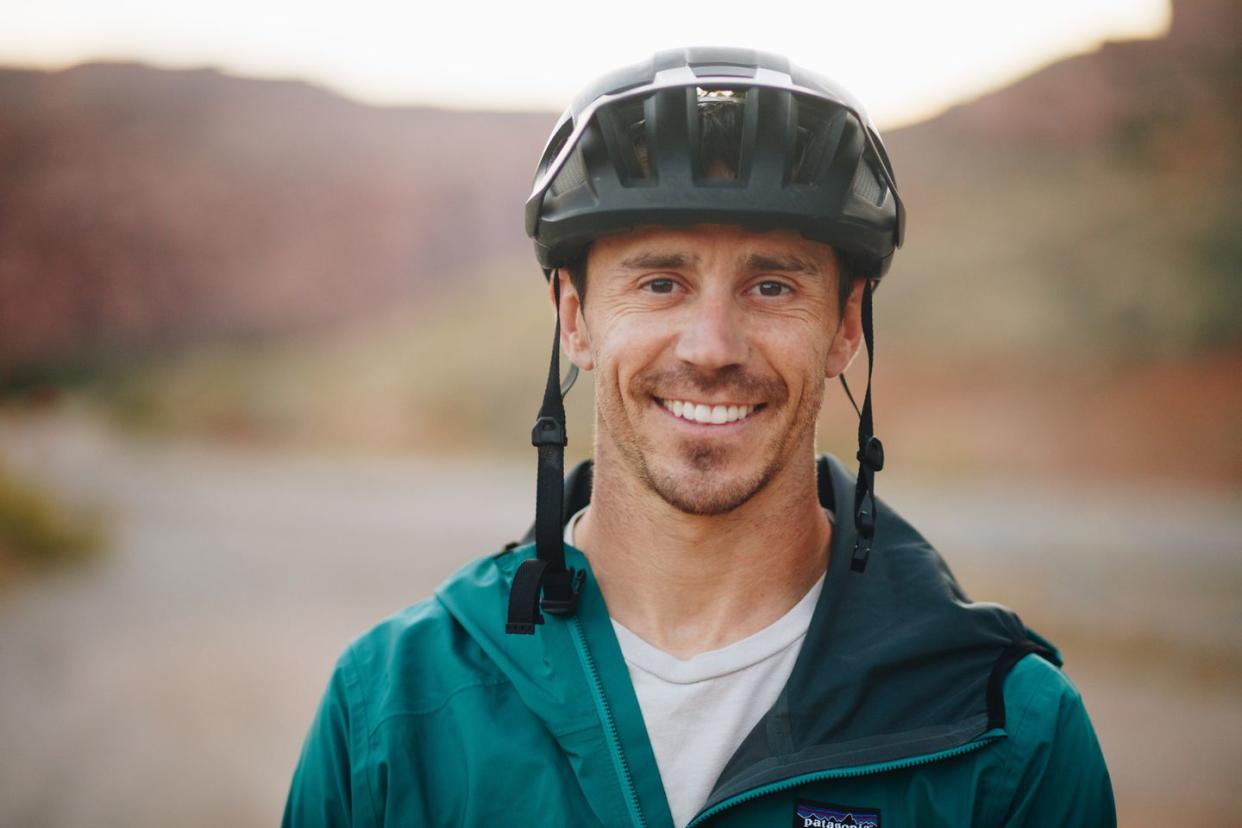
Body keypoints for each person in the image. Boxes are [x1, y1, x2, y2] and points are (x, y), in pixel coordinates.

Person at [283, 48, 1115, 827]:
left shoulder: (1008, 733)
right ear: (575, 320)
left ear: (844, 326)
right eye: (660, 281)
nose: (712, 347)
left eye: (771, 283)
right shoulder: (391, 705)